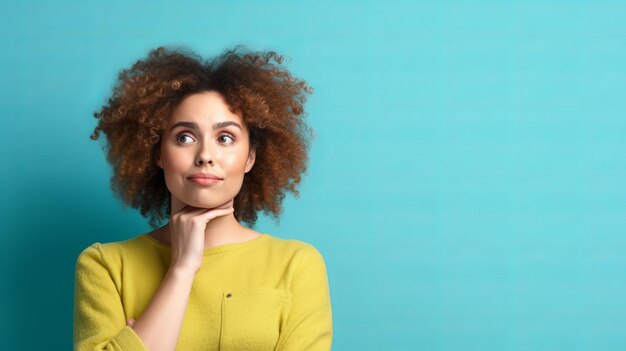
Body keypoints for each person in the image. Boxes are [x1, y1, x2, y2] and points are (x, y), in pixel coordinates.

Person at [73, 46, 332, 351]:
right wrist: (181, 270)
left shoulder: (296, 265)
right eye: (185, 137)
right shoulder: (105, 265)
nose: (205, 156)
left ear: (250, 158)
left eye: (225, 138)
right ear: (158, 153)